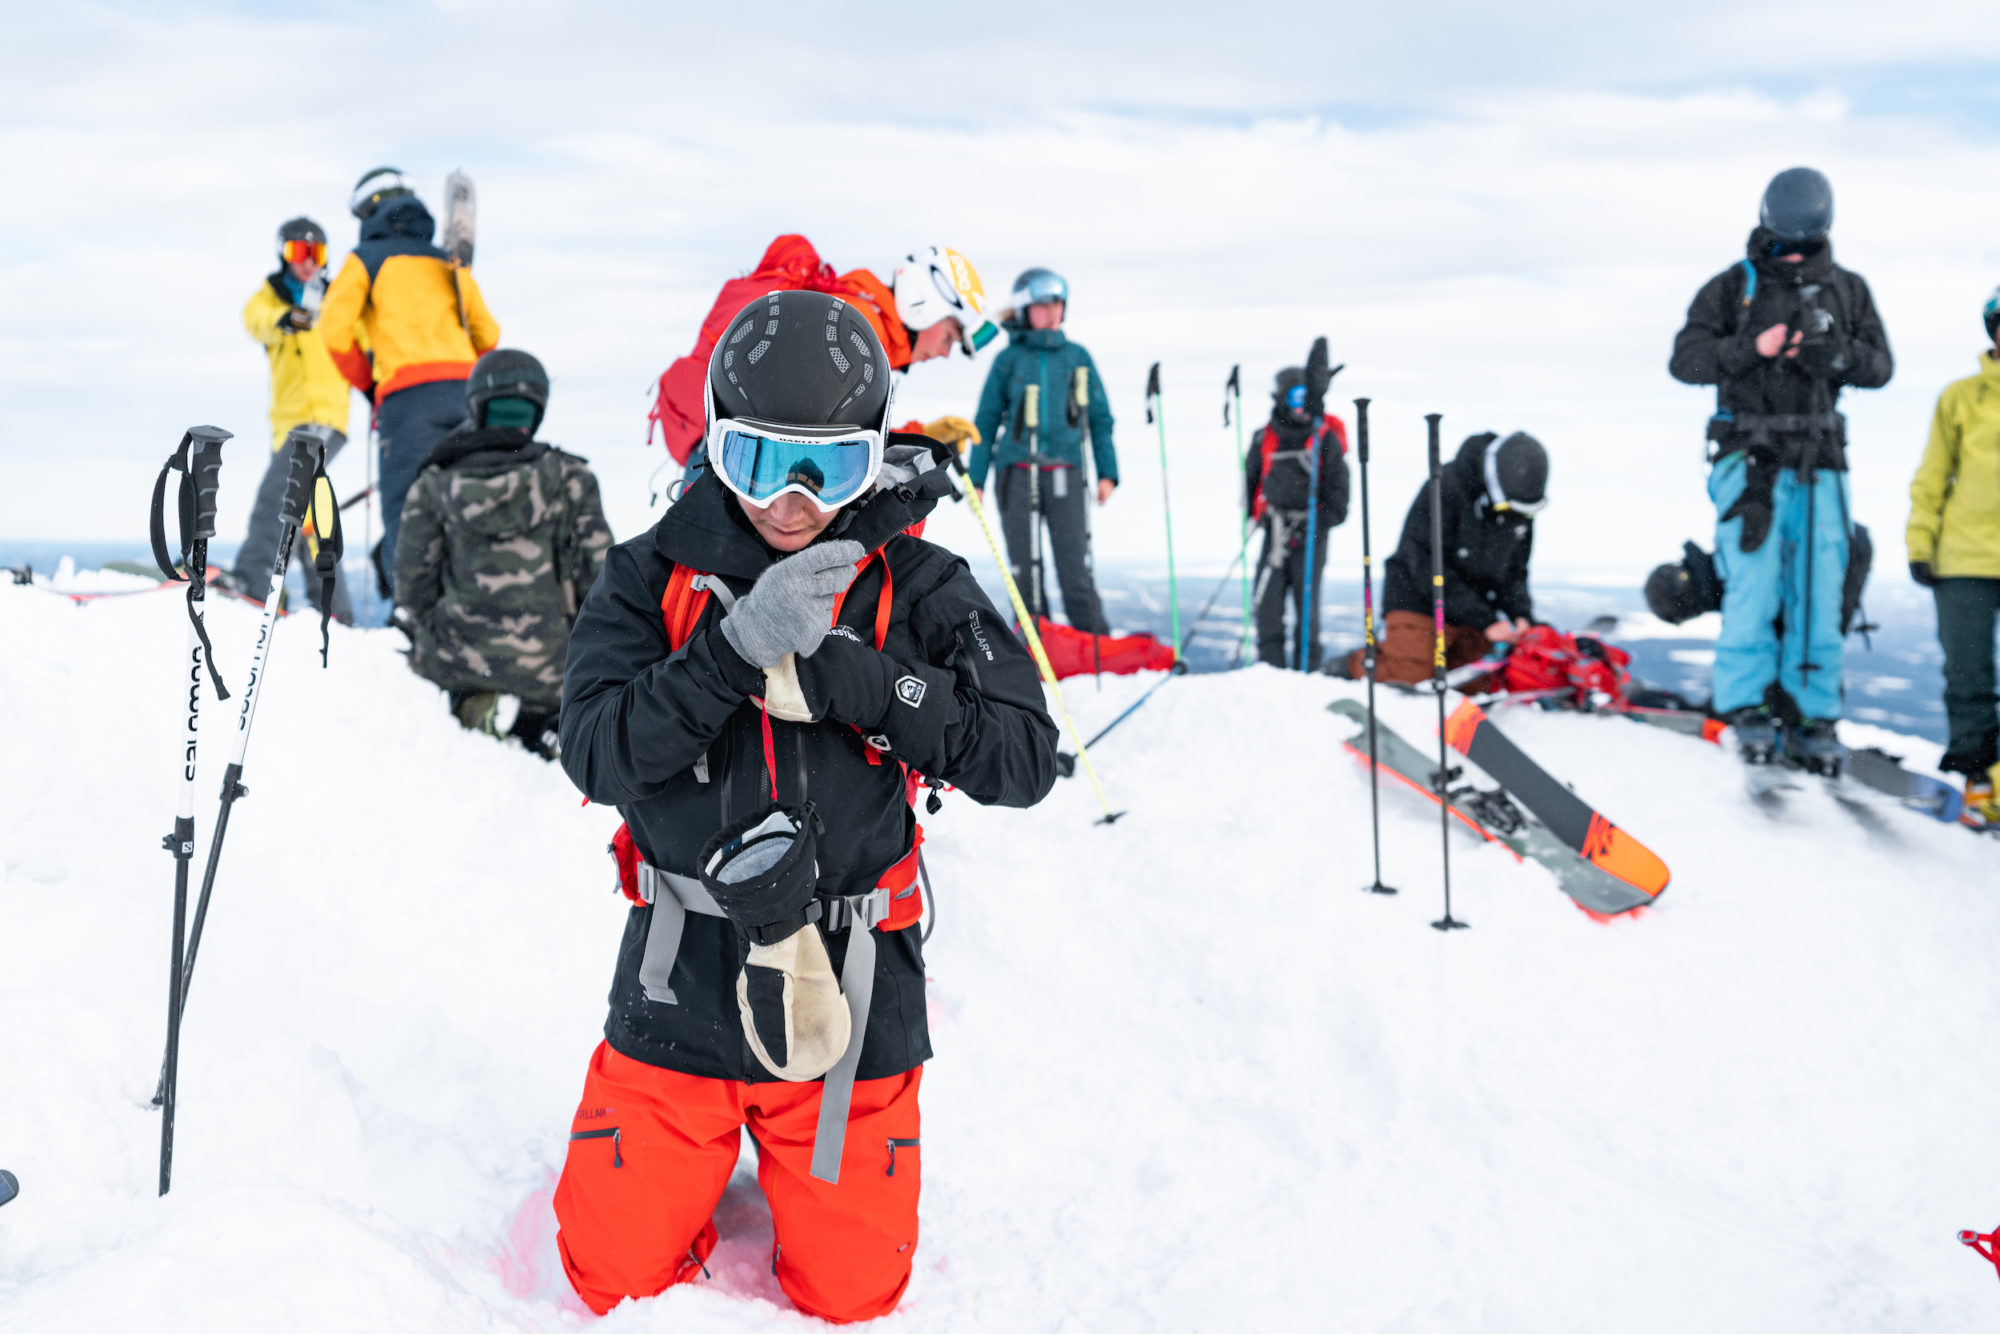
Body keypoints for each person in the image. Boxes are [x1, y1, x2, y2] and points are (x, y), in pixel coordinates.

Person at [554, 290, 1057, 1321]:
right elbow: (595, 751)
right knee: (608, 1276)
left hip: (855, 984)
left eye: (826, 469)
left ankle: (783, 1171)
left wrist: (871, 683)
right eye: (757, 462)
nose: (789, 503)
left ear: (872, 458)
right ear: (713, 447)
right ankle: (694, 1163)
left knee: (852, 1294)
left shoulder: (918, 584)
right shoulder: (650, 577)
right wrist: (727, 656)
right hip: (680, 976)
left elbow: (1023, 757)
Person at [1669, 166, 1893, 771]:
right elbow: (1686, 361)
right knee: (1753, 584)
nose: (1794, 254)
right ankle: (1745, 706)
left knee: (1820, 587)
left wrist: (1834, 355)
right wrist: (1755, 348)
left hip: (1822, 459)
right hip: (1750, 461)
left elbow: (1880, 367)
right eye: (1785, 243)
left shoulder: (1848, 290)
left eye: (1804, 244)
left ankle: (1812, 712)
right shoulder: (1731, 288)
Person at [392, 349, 608, 759]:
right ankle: (541, 723)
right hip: (552, 668)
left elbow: (411, 588)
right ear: (537, 410)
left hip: (457, 661)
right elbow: (600, 586)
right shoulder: (572, 479)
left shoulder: (434, 484)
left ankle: (476, 704)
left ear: (478, 406)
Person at [647, 236, 997, 471]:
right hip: (744, 465)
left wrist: (922, 435)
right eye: (949, 336)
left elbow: (831, 429)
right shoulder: (855, 331)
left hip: (734, 455)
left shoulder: (860, 322)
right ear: (922, 307)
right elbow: (830, 443)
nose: (944, 353)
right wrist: (918, 446)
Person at [319, 167, 501, 593]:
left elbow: (334, 332)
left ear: (369, 212)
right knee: (466, 502)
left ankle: (409, 610)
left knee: (406, 506)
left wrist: (370, 387)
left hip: (407, 400)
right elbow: (489, 335)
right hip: (465, 396)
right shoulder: (447, 261)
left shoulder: (365, 259)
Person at [965, 268, 1118, 632]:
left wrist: (1108, 472)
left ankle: (1093, 647)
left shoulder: (1077, 357)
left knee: (1075, 570)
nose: (1051, 312)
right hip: (1015, 474)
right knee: (1025, 574)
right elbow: (985, 421)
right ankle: (1034, 650)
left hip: (1067, 471)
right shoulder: (1009, 360)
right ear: (1024, 310)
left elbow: (1099, 418)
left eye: (1057, 304)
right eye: (1042, 305)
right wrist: (976, 479)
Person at [1906, 286, 2000, 824]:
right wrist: (1920, 543)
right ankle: (1978, 779)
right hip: (1964, 559)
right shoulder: (1961, 397)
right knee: (1969, 677)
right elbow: (1933, 475)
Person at [1348, 431, 1546, 684]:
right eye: (1508, 509)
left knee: (1477, 681)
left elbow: (1514, 572)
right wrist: (1485, 620)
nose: (1517, 517)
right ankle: (1351, 667)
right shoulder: (1445, 486)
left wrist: (1521, 615)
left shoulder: (1518, 509)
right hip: (1418, 600)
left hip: (1473, 610)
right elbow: (1425, 563)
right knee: (1411, 676)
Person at [233, 217, 354, 619]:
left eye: (317, 253)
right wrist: (284, 319)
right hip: (288, 424)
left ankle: (252, 582)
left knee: (277, 499)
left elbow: (365, 344)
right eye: (299, 252)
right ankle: (335, 612)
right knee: (308, 518)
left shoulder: (338, 300)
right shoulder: (271, 298)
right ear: (283, 254)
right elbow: (255, 320)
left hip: (322, 419)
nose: (308, 262)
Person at [1242, 350, 1349, 669]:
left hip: (1313, 533)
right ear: (1280, 398)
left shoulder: (1325, 439)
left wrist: (1313, 525)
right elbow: (1251, 481)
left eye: (1305, 396)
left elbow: (1339, 501)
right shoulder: (1264, 438)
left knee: (1307, 607)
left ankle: (1307, 675)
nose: (1300, 404)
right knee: (1268, 605)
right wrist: (1253, 517)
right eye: (1294, 396)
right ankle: (1269, 670)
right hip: (1274, 530)